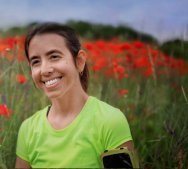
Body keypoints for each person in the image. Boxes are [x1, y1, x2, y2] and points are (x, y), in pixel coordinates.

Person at [15, 23, 135, 168]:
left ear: (79, 61)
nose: (44, 70)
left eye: (54, 56)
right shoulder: (28, 130)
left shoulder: (110, 121)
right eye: (36, 61)